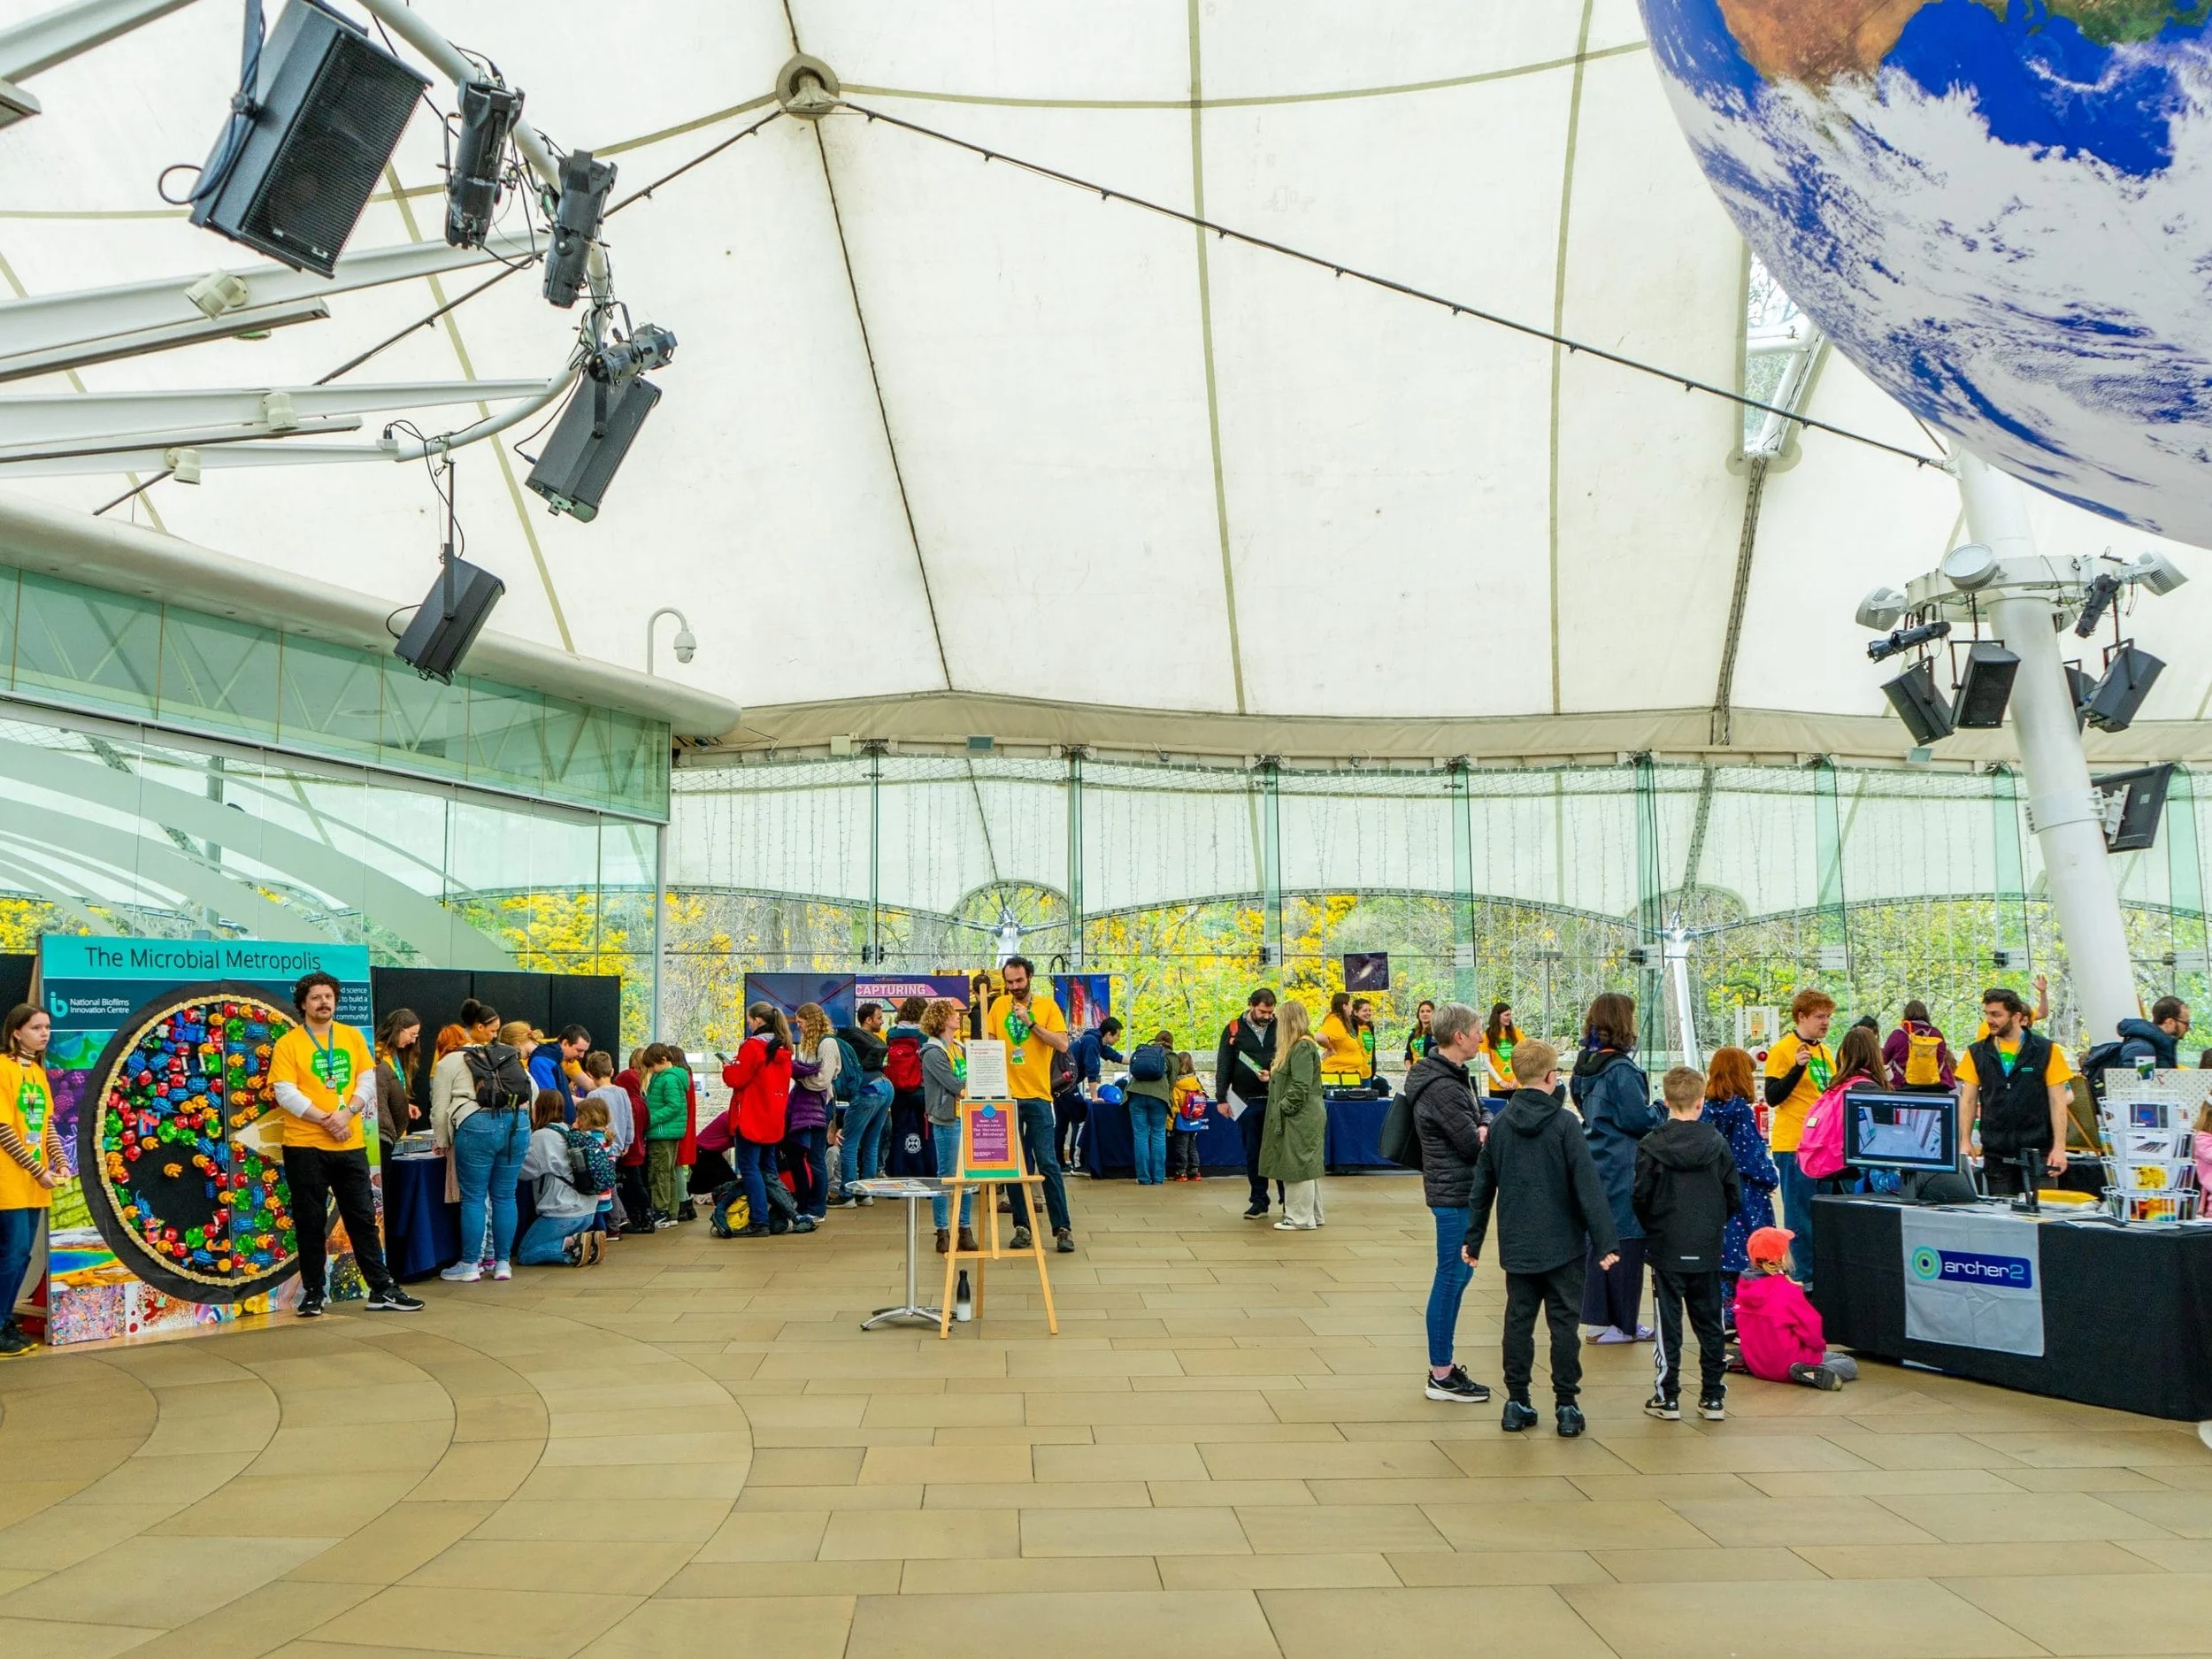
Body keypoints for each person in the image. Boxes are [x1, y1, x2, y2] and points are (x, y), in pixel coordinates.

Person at [1463, 1041, 1620, 1438]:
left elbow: (1482, 1187)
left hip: (1518, 1244)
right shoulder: (1566, 1125)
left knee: (1518, 1321)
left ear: (1514, 1076)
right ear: (1553, 1077)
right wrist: (1606, 1242)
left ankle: (1516, 1402)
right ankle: (1566, 1406)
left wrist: (1474, 1238)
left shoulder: (1498, 1125)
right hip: (1564, 1245)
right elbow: (1588, 1186)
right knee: (1563, 1326)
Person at [269, 972, 421, 1316]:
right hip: (305, 1144)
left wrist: (348, 1112)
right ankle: (313, 1293)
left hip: (349, 1143)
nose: (324, 1002)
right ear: (303, 1004)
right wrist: (326, 1119)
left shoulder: (352, 1038)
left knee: (363, 1219)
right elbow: (284, 1091)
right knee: (310, 1222)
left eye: (328, 997)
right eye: (316, 998)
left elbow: (366, 1081)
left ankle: (381, 1289)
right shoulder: (289, 1043)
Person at [1633, 1066, 1741, 1423]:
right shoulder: (1717, 1143)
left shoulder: (1651, 1145)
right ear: (1701, 1101)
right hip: (1707, 1245)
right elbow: (1733, 1195)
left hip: (1666, 1244)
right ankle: (1712, 1396)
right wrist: (1714, 1224)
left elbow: (1641, 1196)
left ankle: (1669, 1396)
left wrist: (1654, 1226)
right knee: (1710, 1321)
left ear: (1665, 1102)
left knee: (1668, 1324)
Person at [1407, 1002, 1493, 1403]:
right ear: (1458, 1036)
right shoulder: (1443, 1086)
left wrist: (1482, 1124)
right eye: (1477, 1030)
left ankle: (1443, 1367)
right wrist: (1480, 1127)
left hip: (1459, 1191)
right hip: (1453, 1193)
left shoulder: (1452, 1077)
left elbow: (1482, 1120)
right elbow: (1470, 1141)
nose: (1481, 1036)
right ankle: (1441, 1372)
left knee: (1458, 1275)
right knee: (1450, 1277)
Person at [1573, 991, 1663, 1343]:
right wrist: (1660, 1109)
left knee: (1598, 1239)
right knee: (1628, 1239)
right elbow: (1637, 1119)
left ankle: (1598, 1321)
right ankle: (1623, 1324)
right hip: (1625, 1164)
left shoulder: (1585, 1065)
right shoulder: (1621, 1070)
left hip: (1596, 1158)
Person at [987, 957, 1076, 1254]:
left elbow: (1062, 1045)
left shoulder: (1048, 1006)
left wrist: (1030, 1022)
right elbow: (989, 1045)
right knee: (1015, 1166)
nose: (1014, 987)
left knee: (1048, 1163)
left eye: (1019, 981)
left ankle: (1062, 1228)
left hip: (1039, 1096)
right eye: (1009, 982)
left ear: (1029, 978)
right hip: (1007, 1097)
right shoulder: (997, 1006)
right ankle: (1021, 1226)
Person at [1957, 987, 2073, 1198]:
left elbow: (2058, 1101)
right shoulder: (1976, 1052)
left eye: (1996, 1014)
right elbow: (1968, 1100)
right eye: (1987, 1014)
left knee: (2044, 1216)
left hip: (2040, 1151)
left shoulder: (2047, 1050)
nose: (1990, 1020)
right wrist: (1965, 1139)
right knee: (2001, 1218)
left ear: (2017, 1016)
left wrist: (2059, 1147)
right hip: (1996, 1151)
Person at [0, 1004, 64, 1357]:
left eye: (47, 1028)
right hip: (9, 1180)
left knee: (21, 1256)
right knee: (11, 1254)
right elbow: (3, 1129)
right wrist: (38, 1169)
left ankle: (6, 1322)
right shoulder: (2, 1069)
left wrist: (59, 1160)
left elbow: (47, 1126)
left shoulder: (38, 1073)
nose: (44, 1034)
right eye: (37, 1027)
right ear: (16, 1032)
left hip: (33, 1183)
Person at [1700, 1046, 1778, 1323]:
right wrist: (1770, 1176)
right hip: (1745, 1194)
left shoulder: (1706, 1109)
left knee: (1723, 1259)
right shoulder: (1741, 1111)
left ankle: (1721, 1312)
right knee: (1751, 1256)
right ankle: (1747, 1314)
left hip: (1714, 1194)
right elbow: (1751, 1155)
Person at [1764, 988, 1836, 1281]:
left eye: (1829, 1016)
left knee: (1821, 1215)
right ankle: (1804, 1277)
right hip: (1795, 1143)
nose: (1826, 1022)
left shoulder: (1826, 1052)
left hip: (1824, 1144)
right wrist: (1797, 1068)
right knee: (1800, 1216)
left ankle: (1820, 1275)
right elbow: (1772, 1096)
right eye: (1819, 1016)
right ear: (1801, 1017)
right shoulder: (1783, 1050)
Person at [1733, 1225, 1858, 1390]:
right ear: (1782, 1257)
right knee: (1848, 1363)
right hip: (1789, 1362)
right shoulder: (1787, 1291)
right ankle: (1812, 1372)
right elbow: (1812, 1330)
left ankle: (1745, 1360)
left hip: (1758, 1364)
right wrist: (1819, 1349)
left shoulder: (1743, 1289)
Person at [717, 1009, 792, 1240]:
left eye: (750, 1020)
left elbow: (736, 1079)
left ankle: (760, 1220)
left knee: (749, 1169)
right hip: (773, 1119)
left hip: (751, 1117)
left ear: (759, 1020)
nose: (749, 1024)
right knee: (769, 1170)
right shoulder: (784, 1049)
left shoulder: (752, 1047)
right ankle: (780, 1214)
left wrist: (728, 1068)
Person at [516, 1090, 603, 1266]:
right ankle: (585, 1243)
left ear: (538, 1109)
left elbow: (523, 1172)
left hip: (562, 1212)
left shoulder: (541, 1137)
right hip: (587, 1210)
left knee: (526, 1253)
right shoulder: (568, 1130)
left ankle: (572, 1247)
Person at [1214, 988, 1280, 1218]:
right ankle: (1259, 1199)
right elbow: (1224, 1064)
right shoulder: (1234, 1029)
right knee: (1254, 1152)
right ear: (1251, 1005)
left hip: (1276, 1098)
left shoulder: (1279, 1026)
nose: (1267, 1016)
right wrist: (1221, 1098)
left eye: (1270, 1012)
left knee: (1280, 1150)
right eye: (1263, 1011)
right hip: (1247, 1100)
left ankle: (1287, 1197)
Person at [1260, 1000, 1326, 1229]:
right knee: (1307, 1165)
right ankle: (1313, 1215)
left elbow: (1300, 1086)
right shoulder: (1303, 1046)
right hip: (1304, 1114)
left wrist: (1283, 1107)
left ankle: (1298, 1218)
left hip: (1300, 1116)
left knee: (1296, 1165)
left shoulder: (1301, 1047)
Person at [920, 997, 977, 1254]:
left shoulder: (958, 1047)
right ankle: (942, 1230)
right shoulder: (933, 1052)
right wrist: (968, 1090)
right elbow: (954, 1083)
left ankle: (964, 1229)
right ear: (942, 1020)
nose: (958, 1017)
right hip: (946, 1118)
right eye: (953, 1014)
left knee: (965, 1177)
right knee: (946, 1177)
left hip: (964, 1115)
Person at [785, 1002, 839, 1229]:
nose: (800, 1028)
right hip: (806, 1104)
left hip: (819, 1104)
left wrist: (801, 1079)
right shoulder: (808, 1044)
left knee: (816, 1156)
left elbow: (822, 1080)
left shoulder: (827, 1043)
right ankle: (804, 1201)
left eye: (801, 1022)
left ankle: (818, 1207)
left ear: (811, 1021)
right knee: (797, 1153)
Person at [833, 1001, 893, 1203]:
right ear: (868, 1020)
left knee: (850, 1143)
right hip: (886, 1086)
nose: (882, 1021)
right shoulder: (873, 1040)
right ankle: (866, 1192)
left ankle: (847, 1194)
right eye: (879, 1017)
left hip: (868, 1089)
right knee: (871, 1142)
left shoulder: (847, 1039)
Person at [1062, 1016, 1125, 1170]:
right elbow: (1092, 1070)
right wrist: (1095, 1097)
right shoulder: (1092, 1043)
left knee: (1062, 1124)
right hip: (1067, 1086)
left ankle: (1059, 1162)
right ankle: (1077, 1163)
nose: (1118, 1039)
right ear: (1109, 1034)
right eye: (1117, 1035)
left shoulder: (1095, 1040)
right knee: (1081, 1118)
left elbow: (1115, 1056)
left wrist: (1138, 1061)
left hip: (1061, 1085)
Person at [581, 1051, 632, 1229]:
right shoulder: (622, 1092)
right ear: (612, 1071)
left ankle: (614, 1222)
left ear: (589, 1073)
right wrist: (627, 1142)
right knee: (611, 1181)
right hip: (618, 1144)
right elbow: (628, 1118)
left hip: (600, 1145)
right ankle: (622, 1216)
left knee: (608, 1185)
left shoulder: (593, 1097)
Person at [643, 1043, 692, 1224]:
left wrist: (650, 1119)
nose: (652, 1070)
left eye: (653, 1066)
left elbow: (673, 1106)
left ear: (663, 1060)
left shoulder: (667, 1079)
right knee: (668, 1172)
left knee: (659, 1172)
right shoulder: (672, 1077)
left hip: (661, 1132)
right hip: (669, 1132)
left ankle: (661, 1209)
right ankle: (671, 1210)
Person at [884, 996, 930, 1179]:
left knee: (898, 1132)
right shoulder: (925, 1036)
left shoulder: (891, 1034)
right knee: (926, 1134)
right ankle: (926, 1175)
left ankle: (897, 1175)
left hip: (898, 1091)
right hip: (921, 1090)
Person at [1125, 1027, 1176, 1186]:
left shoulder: (1144, 1052)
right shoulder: (1171, 1057)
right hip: (1158, 1098)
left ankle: (1143, 1178)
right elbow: (1172, 1083)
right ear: (1171, 1043)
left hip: (1136, 1095)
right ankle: (1158, 1178)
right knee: (1158, 1136)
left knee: (1140, 1136)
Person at [372, 1009, 421, 1164]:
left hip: (397, 1130)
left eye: (416, 1036)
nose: (413, 1041)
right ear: (398, 1029)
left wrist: (404, 1104)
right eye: (412, 1035)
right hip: (380, 1132)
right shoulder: (377, 1055)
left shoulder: (396, 1055)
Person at [613, 1047, 654, 1233]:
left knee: (634, 1184)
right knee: (637, 1182)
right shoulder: (641, 1102)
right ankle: (644, 1215)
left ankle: (644, 1215)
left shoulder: (628, 1103)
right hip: (639, 1148)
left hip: (629, 1150)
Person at [1884, 1000, 1955, 1093]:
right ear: (1926, 1015)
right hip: (1935, 1086)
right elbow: (1941, 1057)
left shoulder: (1898, 1035)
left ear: (1906, 1015)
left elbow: (1884, 1059)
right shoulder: (1936, 1034)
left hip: (1904, 1085)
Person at [530, 1025, 589, 1122]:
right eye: (579, 1050)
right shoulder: (543, 1061)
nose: (582, 1056)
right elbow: (549, 1100)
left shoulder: (555, 1059)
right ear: (565, 1043)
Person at [2116, 996, 2191, 1071]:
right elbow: (2140, 1082)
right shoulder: (2143, 1049)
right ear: (2170, 1022)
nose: (2188, 1029)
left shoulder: (2161, 1047)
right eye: (2186, 1023)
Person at [1167, 1052, 1207, 1182]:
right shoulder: (1196, 1083)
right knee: (1192, 1146)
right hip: (1195, 1120)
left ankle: (1181, 1172)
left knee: (1181, 1147)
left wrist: (1169, 1124)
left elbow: (1174, 1107)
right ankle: (1195, 1171)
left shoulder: (1177, 1086)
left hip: (1181, 1122)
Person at [1317, 993, 1366, 1087]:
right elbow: (1319, 1037)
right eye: (1350, 1004)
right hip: (1337, 1076)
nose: (1352, 1008)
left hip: (1349, 1076)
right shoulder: (1334, 1020)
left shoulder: (1343, 1022)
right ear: (1344, 1006)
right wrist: (1330, 1048)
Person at [1476, 1002, 1521, 1098]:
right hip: (1497, 1087)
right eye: (1506, 1015)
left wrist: (1517, 1079)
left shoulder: (1516, 1033)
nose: (1509, 1018)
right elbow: (1486, 1061)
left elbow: (1523, 1057)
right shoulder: (1487, 1035)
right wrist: (1500, 1081)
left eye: (1510, 1015)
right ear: (1497, 1016)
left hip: (1517, 1085)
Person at [1403, 1001, 1436, 1066]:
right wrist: (1410, 1070)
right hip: (1414, 1073)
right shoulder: (1413, 1034)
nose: (1425, 1014)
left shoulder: (1437, 1033)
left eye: (1428, 1011)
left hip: (1431, 1072)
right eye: (1422, 1011)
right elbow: (1408, 1055)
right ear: (1418, 1014)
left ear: (1434, 1014)